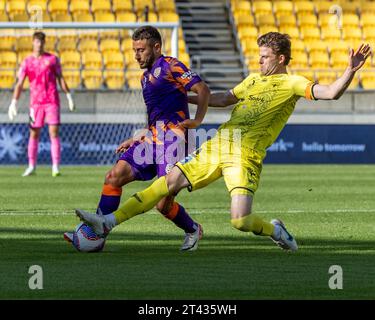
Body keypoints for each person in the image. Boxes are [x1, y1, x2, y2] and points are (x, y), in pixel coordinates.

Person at [75, 32, 371, 251]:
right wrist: (180, 96)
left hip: (245, 155)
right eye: (259, 55)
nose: (260, 60)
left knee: (240, 221)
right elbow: (224, 98)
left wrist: (350, 70)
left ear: (281, 59)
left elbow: (331, 92)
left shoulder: (292, 83)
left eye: (265, 56)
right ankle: (108, 223)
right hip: (220, 143)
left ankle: (275, 230)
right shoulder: (252, 80)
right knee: (165, 184)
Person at [65, 26, 210, 251]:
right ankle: (96, 234)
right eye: (134, 50)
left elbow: (203, 90)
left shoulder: (171, 65)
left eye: (141, 50)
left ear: (157, 47)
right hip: (152, 140)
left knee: (162, 204)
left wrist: (198, 121)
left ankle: (193, 229)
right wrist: (139, 136)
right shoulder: (145, 78)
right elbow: (155, 115)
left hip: (175, 141)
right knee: (114, 176)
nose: (136, 55)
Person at [8, 31, 75, 177]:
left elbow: (60, 78)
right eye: (36, 42)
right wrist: (13, 102)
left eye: (41, 42)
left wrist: (69, 96)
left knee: (53, 132)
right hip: (35, 104)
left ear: (44, 43)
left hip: (51, 101)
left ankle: (55, 167)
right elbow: (19, 83)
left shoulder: (52, 59)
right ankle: (31, 166)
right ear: (33, 42)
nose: (39, 44)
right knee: (34, 133)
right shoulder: (27, 62)